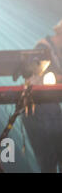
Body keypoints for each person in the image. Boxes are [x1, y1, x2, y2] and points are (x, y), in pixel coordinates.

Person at [22, 19, 62, 172]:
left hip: (49, 110)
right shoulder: (42, 48)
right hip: (38, 111)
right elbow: (35, 79)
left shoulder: (55, 53)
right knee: (48, 162)